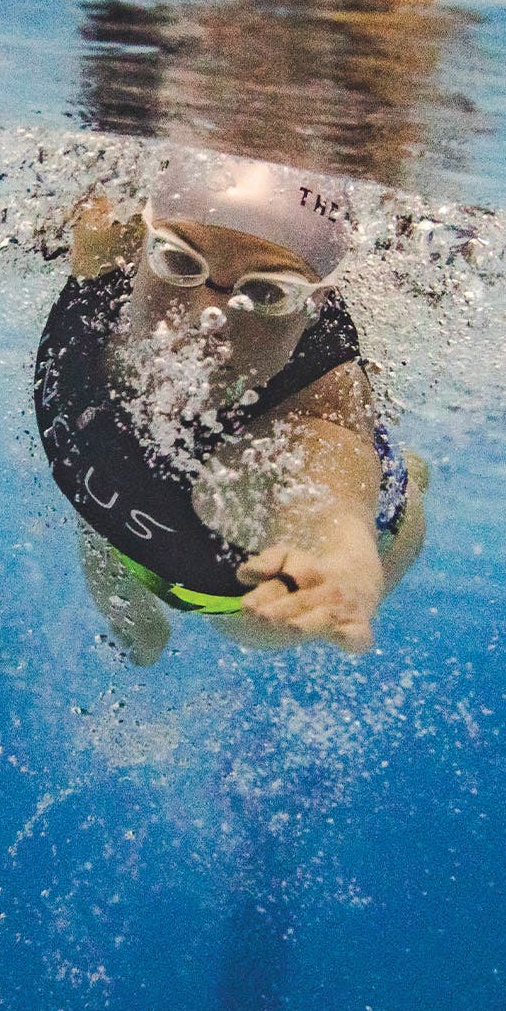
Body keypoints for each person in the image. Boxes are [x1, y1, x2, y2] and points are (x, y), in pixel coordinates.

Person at [34, 148, 428, 664]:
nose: (206, 314)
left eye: (267, 293)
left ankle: (411, 477)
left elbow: (327, 499)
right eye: (179, 260)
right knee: (133, 625)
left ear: (314, 307)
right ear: (143, 242)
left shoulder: (318, 397)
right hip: (117, 531)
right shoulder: (108, 246)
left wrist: (339, 565)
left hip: (241, 602)